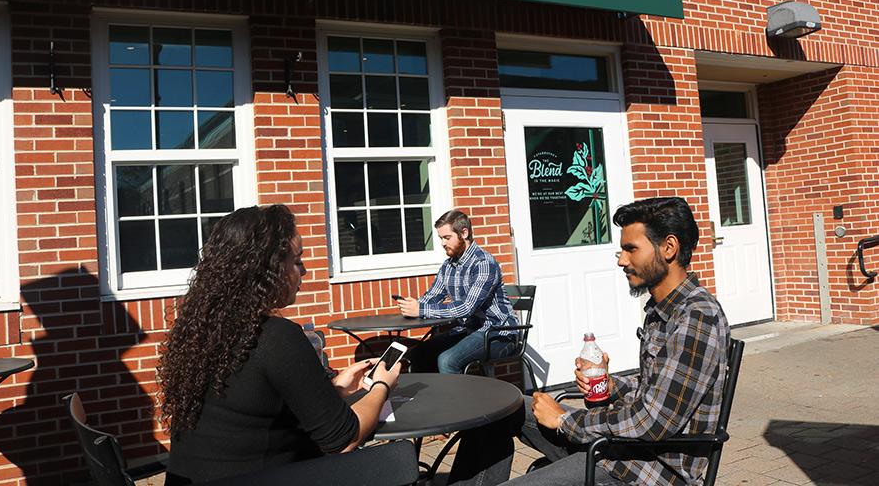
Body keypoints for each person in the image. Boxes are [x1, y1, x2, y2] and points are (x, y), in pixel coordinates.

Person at [448, 196, 730, 486]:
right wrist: (610, 385)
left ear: (668, 248)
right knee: (502, 408)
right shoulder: (662, 311)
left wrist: (564, 421)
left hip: (648, 471)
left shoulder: (697, 316)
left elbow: (652, 420)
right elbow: (656, 387)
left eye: (631, 249)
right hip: (623, 450)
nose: (622, 260)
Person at [158, 205, 401, 484]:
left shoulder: (204, 331)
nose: (305, 271)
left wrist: (334, 390)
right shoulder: (275, 337)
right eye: (297, 261)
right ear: (268, 268)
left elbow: (250, 410)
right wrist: (382, 385)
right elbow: (345, 439)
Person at [398, 209, 520, 374]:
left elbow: (466, 307)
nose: (442, 243)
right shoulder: (448, 265)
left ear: (464, 233)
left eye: (447, 238)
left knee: (447, 360)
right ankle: (435, 398)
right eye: (441, 238)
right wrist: (414, 305)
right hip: (468, 330)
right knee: (420, 353)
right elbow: (434, 295)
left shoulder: (483, 263)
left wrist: (421, 309)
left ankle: (455, 400)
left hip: (498, 332)